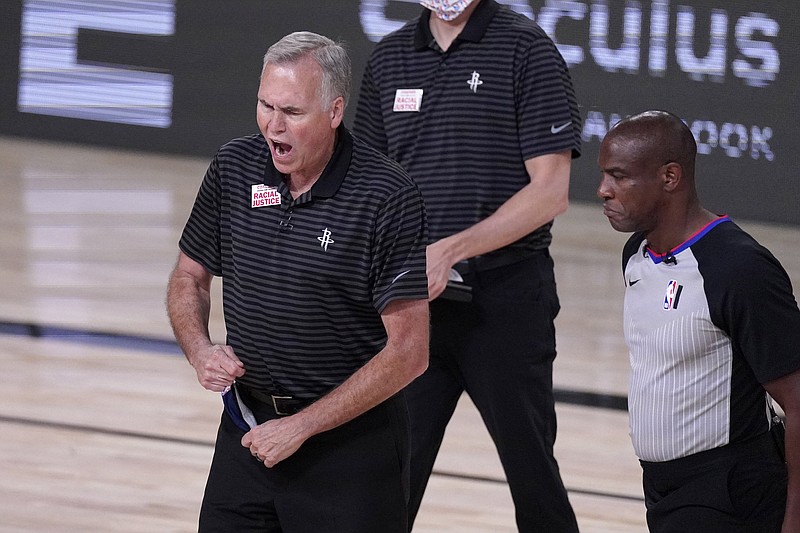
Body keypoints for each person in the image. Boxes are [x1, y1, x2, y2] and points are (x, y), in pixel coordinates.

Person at [166, 31, 430, 532]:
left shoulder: (387, 196)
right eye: (265, 105)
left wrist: (301, 427)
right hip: (248, 434)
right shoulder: (234, 167)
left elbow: (409, 352)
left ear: (334, 112)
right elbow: (188, 276)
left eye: (292, 111)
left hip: (349, 451)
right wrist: (200, 349)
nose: (273, 124)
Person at [353, 1, 582, 530]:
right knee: (389, 475)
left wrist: (451, 249)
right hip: (413, 306)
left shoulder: (527, 50)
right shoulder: (390, 59)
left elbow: (550, 192)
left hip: (504, 299)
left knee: (532, 473)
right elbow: (365, 186)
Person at [597, 110, 800, 532]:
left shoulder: (739, 268)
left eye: (618, 176)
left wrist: (793, 521)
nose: (603, 190)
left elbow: (797, 400)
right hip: (660, 488)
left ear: (670, 177)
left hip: (729, 490)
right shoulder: (635, 254)